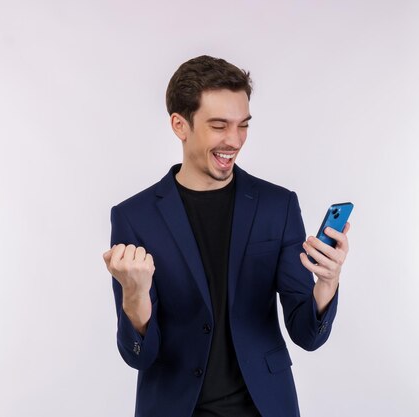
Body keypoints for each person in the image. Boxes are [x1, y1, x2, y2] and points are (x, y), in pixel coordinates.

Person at [102, 55, 350, 417]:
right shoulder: (135, 217)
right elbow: (139, 354)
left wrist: (327, 284)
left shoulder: (277, 206)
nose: (234, 140)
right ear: (179, 125)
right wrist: (135, 294)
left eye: (243, 125)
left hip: (264, 406)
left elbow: (306, 335)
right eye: (219, 126)